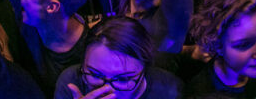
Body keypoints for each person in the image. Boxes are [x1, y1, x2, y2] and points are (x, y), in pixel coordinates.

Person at [54, 17, 183, 99]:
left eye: (123, 79)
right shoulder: (70, 81)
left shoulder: (170, 91)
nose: (108, 89)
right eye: (95, 75)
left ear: (144, 68)